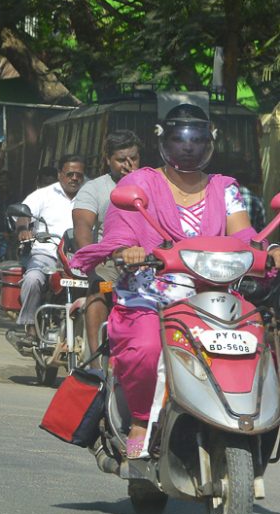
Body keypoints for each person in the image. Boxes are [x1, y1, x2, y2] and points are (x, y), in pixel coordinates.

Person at [71, 105, 280, 457]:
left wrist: (270, 249)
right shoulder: (139, 183)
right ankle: (139, 418)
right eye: (180, 140)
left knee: (256, 344)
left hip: (214, 297)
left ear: (209, 143)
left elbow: (245, 235)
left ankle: (243, 419)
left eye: (197, 140)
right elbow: (121, 231)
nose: (188, 147)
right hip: (150, 295)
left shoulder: (225, 187)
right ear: (164, 142)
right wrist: (129, 251)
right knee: (148, 348)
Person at [70, 131, 142, 355]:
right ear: (108, 160)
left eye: (134, 158)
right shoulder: (94, 188)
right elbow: (82, 226)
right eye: (121, 160)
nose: (129, 164)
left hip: (150, 262)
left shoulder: (153, 184)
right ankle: (95, 362)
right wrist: (91, 258)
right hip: (109, 264)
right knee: (99, 290)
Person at [11, 155, 86, 343]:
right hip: (47, 253)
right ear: (60, 174)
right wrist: (23, 230)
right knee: (32, 279)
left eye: (79, 174)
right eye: (70, 174)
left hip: (82, 257)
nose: (74, 178)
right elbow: (23, 213)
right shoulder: (43, 195)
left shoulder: (90, 193)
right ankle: (30, 328)